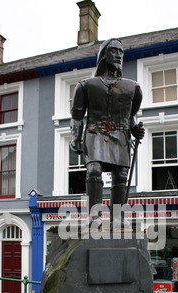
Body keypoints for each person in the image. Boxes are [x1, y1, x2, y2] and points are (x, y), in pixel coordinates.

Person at [70, 38, 144, 227]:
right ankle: (94, 216)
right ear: (104, 55)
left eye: (121, 52)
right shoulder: (86, 85)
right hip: (95, 132)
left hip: (121, 135)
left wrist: (136, 130)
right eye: (114, 51)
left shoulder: (133, 88)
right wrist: (75, 139)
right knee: (94, 170)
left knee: (121, 176)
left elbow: (130, 116)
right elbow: (77, 117)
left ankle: (117, 218)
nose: (119, 55)